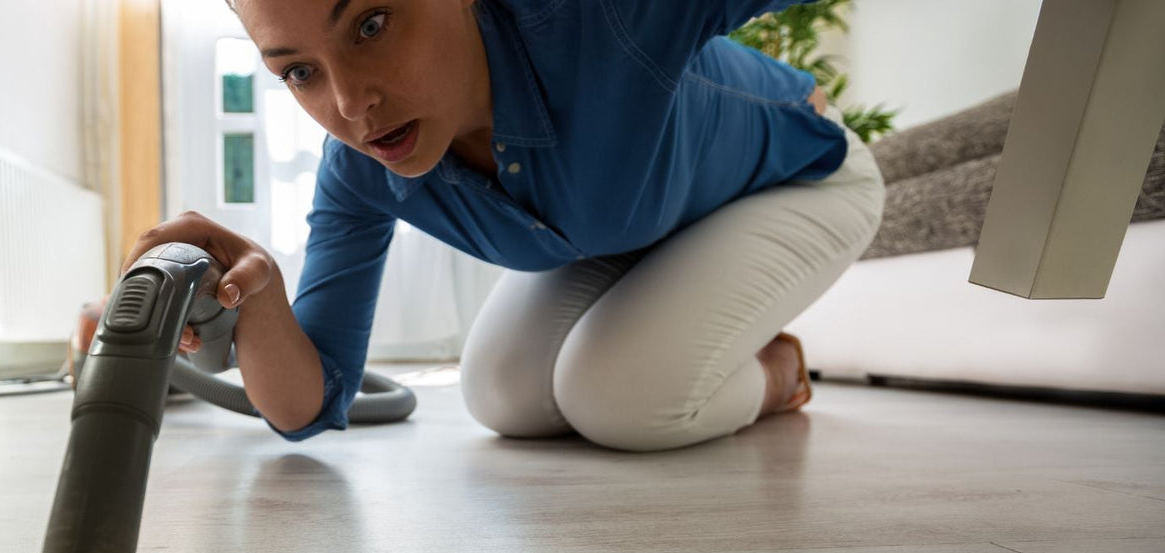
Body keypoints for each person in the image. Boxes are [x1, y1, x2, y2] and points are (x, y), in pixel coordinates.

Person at [80, 0, 885, 451]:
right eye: (299, 71)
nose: (351, 106)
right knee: (499, 393)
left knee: (621, 399)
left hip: (799, 181)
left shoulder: (594, 20)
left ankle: (776, 374)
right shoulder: (361, 170)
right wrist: (255, 291)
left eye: (370, 24)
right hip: (640, 231)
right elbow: (308, 404)